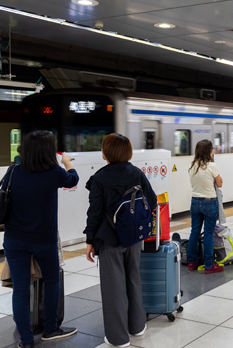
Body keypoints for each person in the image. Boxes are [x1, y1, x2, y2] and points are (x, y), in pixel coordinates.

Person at [3, 131, 79, 348]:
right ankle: (50, 329)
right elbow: (73, 179)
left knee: (20, 289)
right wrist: (66, 162)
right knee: (52, 281)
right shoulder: (54, 172)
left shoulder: (14, 170)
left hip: (15, 239)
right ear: (48, 151)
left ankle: (26, 340)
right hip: (43, 240)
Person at [84, 134, 157, 347]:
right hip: (134, 237)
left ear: (105, 153)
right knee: (134, 279)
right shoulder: (137, 174)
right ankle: (137, 327)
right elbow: (151, 201)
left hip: (109, 240)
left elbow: (95, 214)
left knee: (113, 287)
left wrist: (90, 240)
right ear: (128, 152)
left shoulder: (99, 179)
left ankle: (118, 337)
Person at [186, 139, 224, 274]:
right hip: (209, 202)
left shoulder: (192, 167)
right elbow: (219, 184)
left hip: (195, 202)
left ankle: (192, 262)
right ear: (209, 151)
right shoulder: (211, 166)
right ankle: (209, 265)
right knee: (208, 234)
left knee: (194, 232)